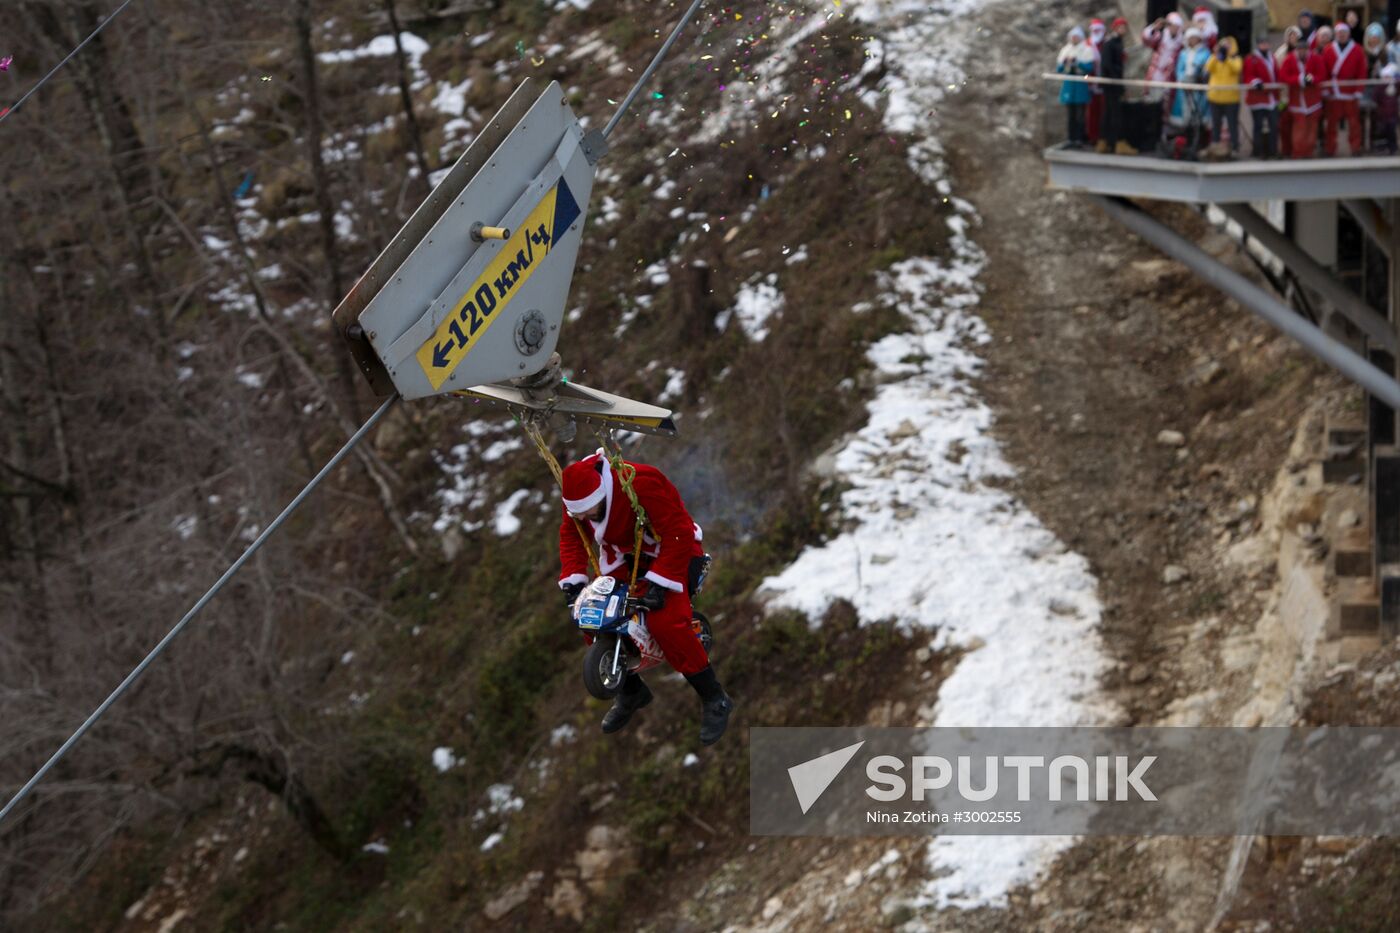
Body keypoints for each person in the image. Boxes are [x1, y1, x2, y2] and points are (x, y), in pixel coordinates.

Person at [557, 450, 733, 743]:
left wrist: (660, 583)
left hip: (671, 550)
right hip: (624, 559)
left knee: (666, 623)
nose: (586, 518)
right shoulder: (577, 500)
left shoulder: (640, 482)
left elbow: (678, 531)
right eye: (580, 514)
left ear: (602, 492)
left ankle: (715, 697)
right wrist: (574, 581)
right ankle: (631, 690)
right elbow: (572, 535)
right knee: (592, 613)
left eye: (590, 511)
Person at [1323, 22, 1367, 156]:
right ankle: (1330, 148)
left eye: (1344, 33)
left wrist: (1359, 90)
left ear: (1348, 34)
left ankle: (1355, 147)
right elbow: (1324, 70)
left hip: (1351, 91)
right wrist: (1326, 88)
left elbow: (1362, 71)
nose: (1341, 35)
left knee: (1354, 123)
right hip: (1334, 90)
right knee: (1331, 123)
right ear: (1335, 34)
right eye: (1339, 33)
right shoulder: (1328, 49)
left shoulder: (1358, 49)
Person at [1281, 39, 1326, 158]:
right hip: (1297, 101)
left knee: (1312, 131)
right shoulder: (1289, 59)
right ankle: (1298, 154)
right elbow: (1284, 76)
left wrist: (1312, 79)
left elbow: (1322, 75)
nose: (1303, 52)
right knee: (1299, 130)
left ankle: (1309, 153)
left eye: (1305, 49)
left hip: (1313, 101)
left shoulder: (1316, 58)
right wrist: (1299, 79)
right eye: (1300, 49)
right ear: (1296, 50)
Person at [1100, 17, 1136, 154]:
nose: (1124, 30)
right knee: (1114, 113)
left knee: (1110, 112)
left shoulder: (1116, 43)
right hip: (1112, 83)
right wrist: (1118, 83)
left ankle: (1107, 141)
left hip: (1113, 82)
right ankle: (1116, 142)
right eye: (1121, 27)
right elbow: (1108, 65)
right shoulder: (1111, 43)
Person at [1056, 26, 1096, 147]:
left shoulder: (1086, 50)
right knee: (1070, 114)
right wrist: (1065, 62)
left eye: (1076, 37)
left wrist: (1078, 62)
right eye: (1073, 37)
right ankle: (1070, 138)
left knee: (1080, 114)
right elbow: (1059, 69)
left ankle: (1079, 138)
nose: (1074, 39)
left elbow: (1089, 69)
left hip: (1081, 81)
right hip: (1069, 82)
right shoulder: (1065, 50)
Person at [1244, 36, 1281, 158]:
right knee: (1258, 126)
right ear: (1258, 45)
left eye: (1266, 43)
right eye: (1262, 44)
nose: (1265, 46)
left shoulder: (1272, 58)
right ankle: (1257, 151)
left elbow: (1276, 75)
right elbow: (1248, 76)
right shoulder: (1251, 59)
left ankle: (1272, 150)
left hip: (1272, 99)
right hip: (1258, 98)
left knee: (1274, 125)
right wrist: (1256, 82)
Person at [1206, 36, 1243, 156]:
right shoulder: (1216, 58)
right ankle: (1215, 147)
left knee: (1232, 125)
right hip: (1215, 98)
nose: (1225, 47)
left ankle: (1235, 148)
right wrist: (1215, 54)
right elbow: (1208, 68)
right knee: (1216, 125)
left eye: (1228, 45)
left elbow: (1236, 69)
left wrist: (1226, 57)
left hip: (1231, 99)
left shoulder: (1236, 58)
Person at [1143, 12, 1186, 117]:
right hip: (1155, 75)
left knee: (1164, 107)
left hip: (1169, 78)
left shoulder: (1181, 42)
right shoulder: (1161, 36)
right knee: (1149, 103)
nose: (1174, 28)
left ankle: (1162, 131)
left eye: (1176, 26)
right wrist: (1155, 27)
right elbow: (1146, 39)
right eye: (1172, 25)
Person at [1173, 28, 1211, 126]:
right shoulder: (1183, 53)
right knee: (1185, 106)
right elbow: (1179, 69)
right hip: (1185, 84)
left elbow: (1207, 69)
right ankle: (1186, 128)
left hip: (1198, 84)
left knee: (1198, 106)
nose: (1193, 40)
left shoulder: (1206, 53)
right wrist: (1181, 79)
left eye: (1195, 38)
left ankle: (1198, 126)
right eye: (1191, 38)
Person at [1277, 26, 1304, 156]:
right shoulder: (1281, 53)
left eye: (1296, 36)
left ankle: (1298, 149)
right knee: (1285, 124)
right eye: (1291, 36)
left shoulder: (1304, 52)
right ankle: (1286, 149)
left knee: (1299, 124)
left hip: (1300, 94)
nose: (1293, 38)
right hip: (1285, 94)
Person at [1088, 18, 1108, 149]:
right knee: (1091, 112)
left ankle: (1103, 136)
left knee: (1104, 111)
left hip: (1104, 82)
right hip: (1090, 82)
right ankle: (1092, 136)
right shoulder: (1088, 44)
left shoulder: (1106, 44)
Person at [1372, 63, 1398, 154]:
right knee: (1382, 132)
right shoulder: (1380, 87)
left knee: (1391, 132)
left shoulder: (1395, 86)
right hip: (1382, 114)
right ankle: (1382, 148)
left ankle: (1392, 148)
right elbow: (1375, 98)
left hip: (1392, 114)